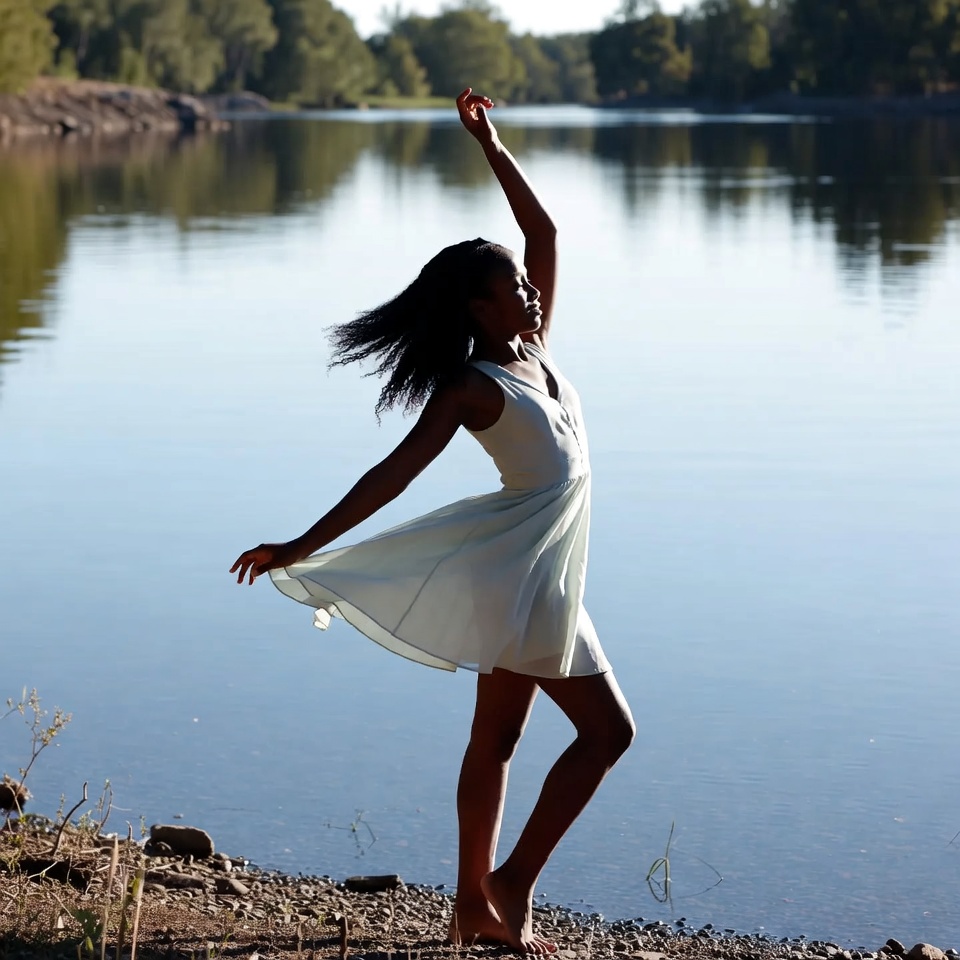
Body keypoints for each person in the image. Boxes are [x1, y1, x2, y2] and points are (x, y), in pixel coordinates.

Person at [231, 88, 635, 955]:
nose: (530, 291)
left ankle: (465, 909)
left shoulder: (535, 348)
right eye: (512, 289)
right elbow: (390, 476)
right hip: (520, 579)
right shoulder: (471, 389)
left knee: (499, 739)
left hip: (539, 577)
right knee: (608, 734)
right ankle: (510, 886)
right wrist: (301, 546)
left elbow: (548, 236)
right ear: (476, 311)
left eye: (526, 286)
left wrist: (490, 144)